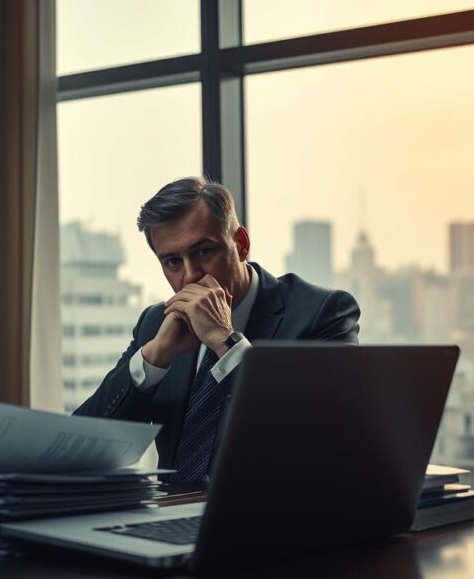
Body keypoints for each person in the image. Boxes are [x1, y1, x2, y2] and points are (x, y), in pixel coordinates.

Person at [74, 177, 360, 483]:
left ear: (241, 245)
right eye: (172, 261)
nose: (190, 276)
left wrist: (227, 342)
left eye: (203, 252)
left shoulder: (322, 314)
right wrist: (154, 356)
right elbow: (81, 449)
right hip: (168, 521)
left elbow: (329, 446)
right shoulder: (157, 324)